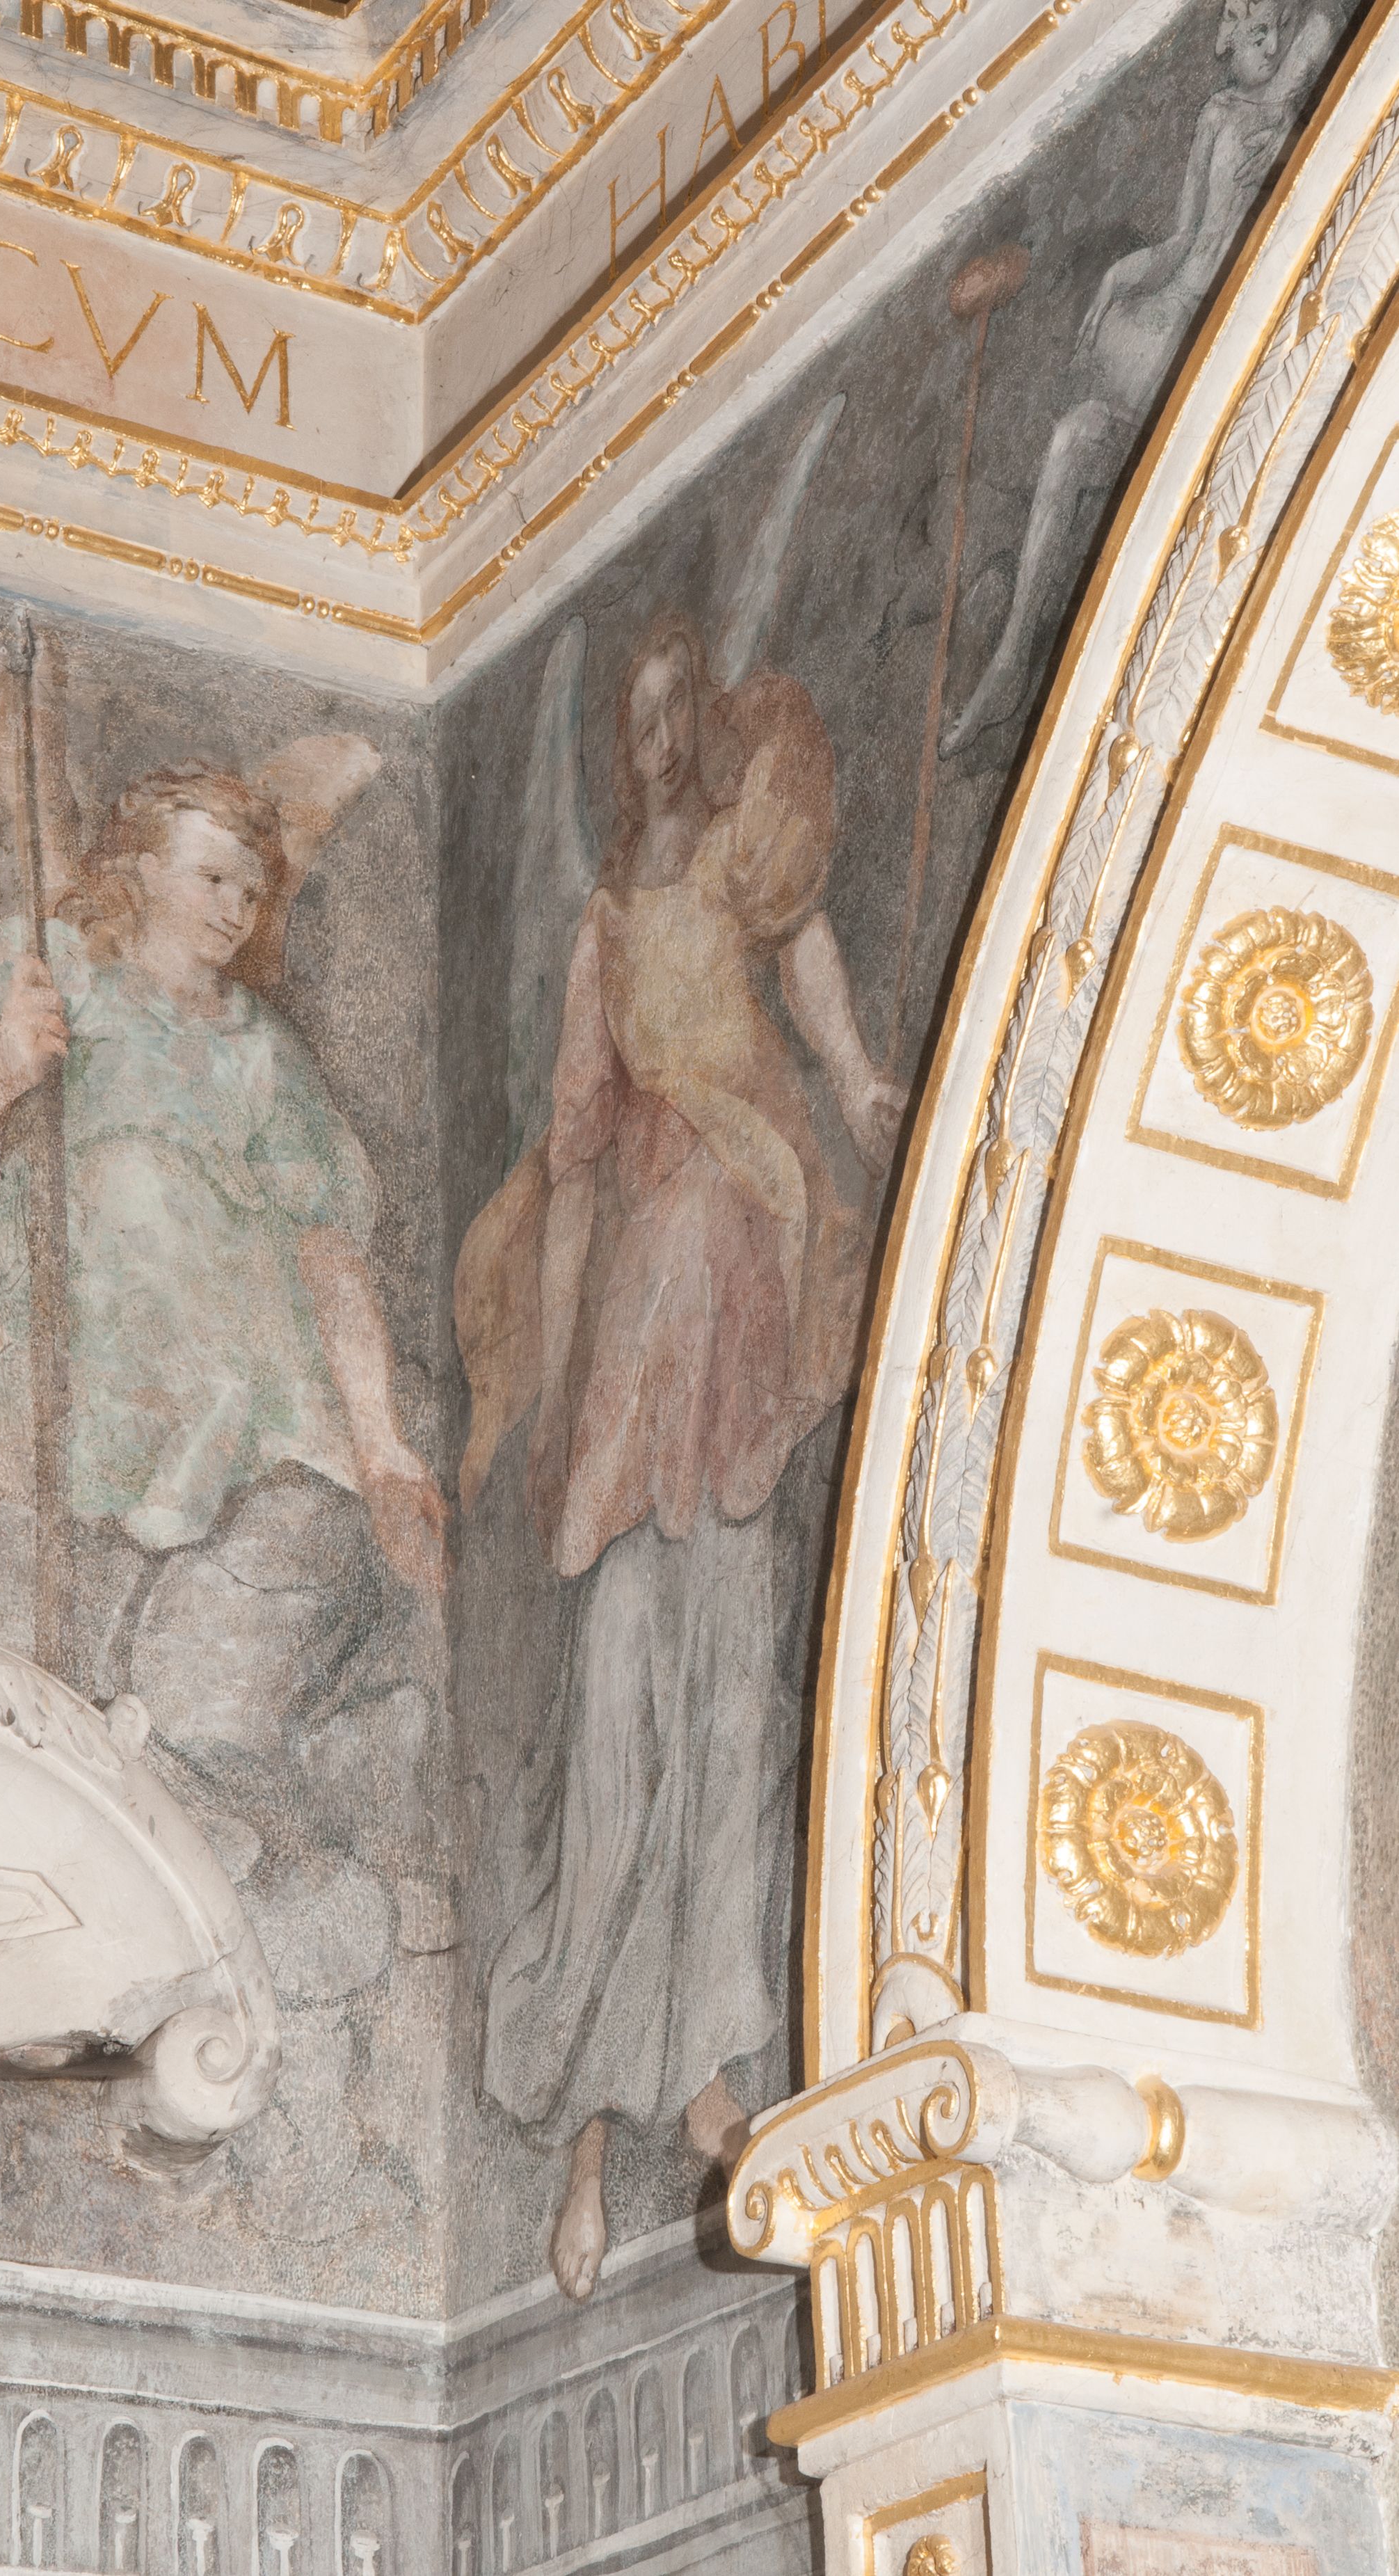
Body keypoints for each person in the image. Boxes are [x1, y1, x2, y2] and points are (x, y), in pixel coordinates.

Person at [456, 616, 902, 2301]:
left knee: (725, 1703)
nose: (652, 743)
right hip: (651, 1297)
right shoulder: (605, 924)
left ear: (698, 724)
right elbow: (571, 1163)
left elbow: (807, 964)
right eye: (630, 719)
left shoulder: (736, 868)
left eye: (671, 713)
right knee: (616, 1719)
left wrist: (854, 1081)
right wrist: (549, 1393)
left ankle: (710, 2073)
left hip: (747, 1269)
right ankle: (588, 2138)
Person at [0, 761, 447, 1597]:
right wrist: (2, 1069)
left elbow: (325, 1246)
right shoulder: (64, 970)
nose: (235, 911)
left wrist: (380, 1438)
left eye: (251, 893)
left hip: (231, 1334)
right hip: (87, 1308)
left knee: (250, 1434)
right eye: (212, 879)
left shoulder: (262, 1049)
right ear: (142, 867)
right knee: (138, 1189)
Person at [942, 0, 1338, 755]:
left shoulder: (1300, 92)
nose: (1265, 46)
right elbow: (1184, 238)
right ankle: (1011, 664)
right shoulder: (1218, 116)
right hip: (1166, 323)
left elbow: (1323, 36)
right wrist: (1119, 276)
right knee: (1069, 438)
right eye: (1253, 31)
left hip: (1223, 337)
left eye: (1273, 31)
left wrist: (1289, 111)